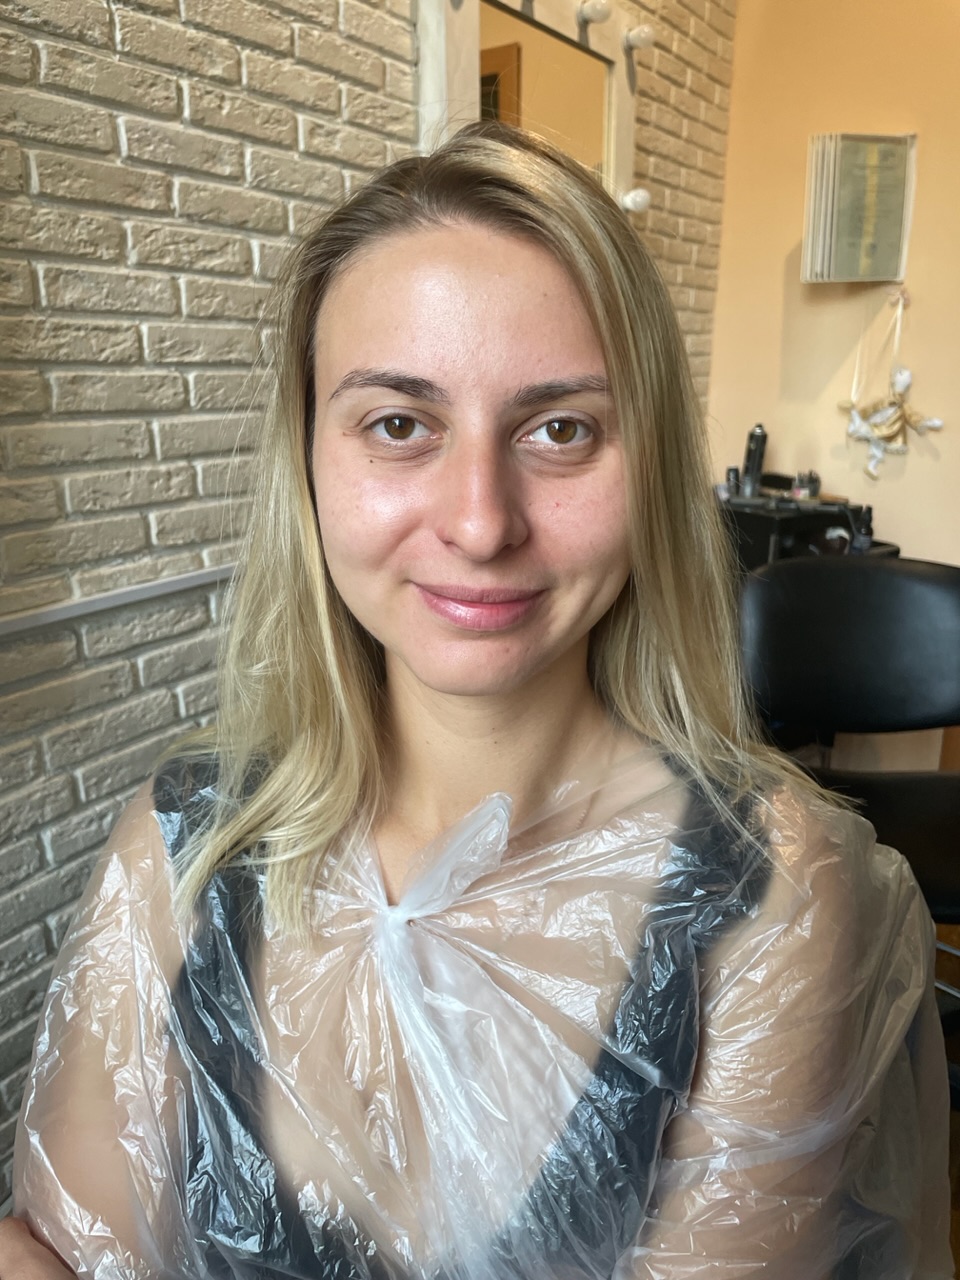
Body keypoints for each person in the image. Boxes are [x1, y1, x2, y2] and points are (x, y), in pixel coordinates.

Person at [1, 123, 952, 1280]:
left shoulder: (766, 888)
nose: (480, 521)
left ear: (649, 462)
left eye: (561, 428)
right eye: (399, 423)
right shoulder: (178, 852)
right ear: (308, 459)